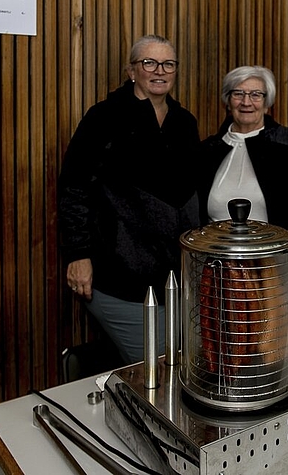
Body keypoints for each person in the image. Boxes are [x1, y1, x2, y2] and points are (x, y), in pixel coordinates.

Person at [58, 35, 200, 365]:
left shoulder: (185, 122)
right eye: (149, 62)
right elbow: (73, 188)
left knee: (178, 363)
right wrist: (78, 254)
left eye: (168, 63)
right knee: (155, 367)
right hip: (119, 276)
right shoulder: (104, 118)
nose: (159, 71)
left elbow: (193, 194)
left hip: (176, 278)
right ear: (131, 70)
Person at [200, 65, 288, 294]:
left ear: (267, 101)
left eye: (255, 94)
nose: (246, 102)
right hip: (219, 270)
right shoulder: (207, 150)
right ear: (227, 99)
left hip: (279, 268)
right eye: (238, 93)